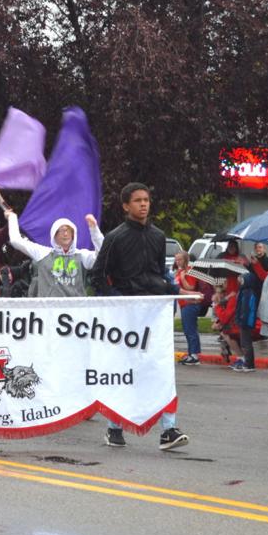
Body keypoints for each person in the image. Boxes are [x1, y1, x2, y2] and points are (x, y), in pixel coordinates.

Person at [93, 182, 189, 449]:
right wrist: (115, 300)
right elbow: (97, 276)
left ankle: (168, 430)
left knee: (161, 370)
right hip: (125, 314)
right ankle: (114, 427)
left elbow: (158, 273)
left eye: (146, 200)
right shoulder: (115, 238)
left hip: (154, 313)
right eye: (137, 200)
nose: (143, 204)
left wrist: (172, 290)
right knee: (124, 371)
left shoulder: (159, 237)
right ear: (126, 206)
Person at [5, 209, 103, 297]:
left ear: (73, 234)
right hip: (48, 312)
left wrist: (94, 230)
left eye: (68, 231)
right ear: (54, 236)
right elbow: (16, 241)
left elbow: (102, 255)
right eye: (60, 231)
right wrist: (12, 218)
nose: (65, 234)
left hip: (76, 313)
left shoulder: (82, 256)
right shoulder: (43, 253)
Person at [173, 251, 213, 365]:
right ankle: (191, 353)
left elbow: (190, 288)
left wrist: (183, 278)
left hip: (190, 304)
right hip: (183, 304)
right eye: (176, 259)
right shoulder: (180, 271)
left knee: (190, 329)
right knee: (187, 329)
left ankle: (194, 355)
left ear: (185, 260)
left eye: (180, 259)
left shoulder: (190, 271)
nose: (177, 262)